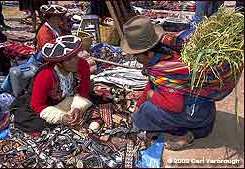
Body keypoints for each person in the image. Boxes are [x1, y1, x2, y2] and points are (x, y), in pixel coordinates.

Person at [121, 15, 216, 151]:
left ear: (147, 53)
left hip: (199, 117)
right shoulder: (164, 54)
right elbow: (152, 83)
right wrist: (139, 104)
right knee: (142, 111)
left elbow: (175, 105)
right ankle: (186, 128)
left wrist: (150, 96)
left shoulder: (165, 69)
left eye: (137, 55)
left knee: (145, 113)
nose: (136, 59)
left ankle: (184, 135)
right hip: (204, 115)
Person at [12, 35, 100, 135]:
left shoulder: (82, 64)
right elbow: (37, 105)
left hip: (68, 100)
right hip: (46, 105)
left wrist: (78, 107)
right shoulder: (45, 75)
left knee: (97, 104)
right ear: (59, 63)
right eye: (69, 59)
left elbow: (83, 91)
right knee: (36, 124)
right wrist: (61, 117)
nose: (75, 61)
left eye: (75, 56)